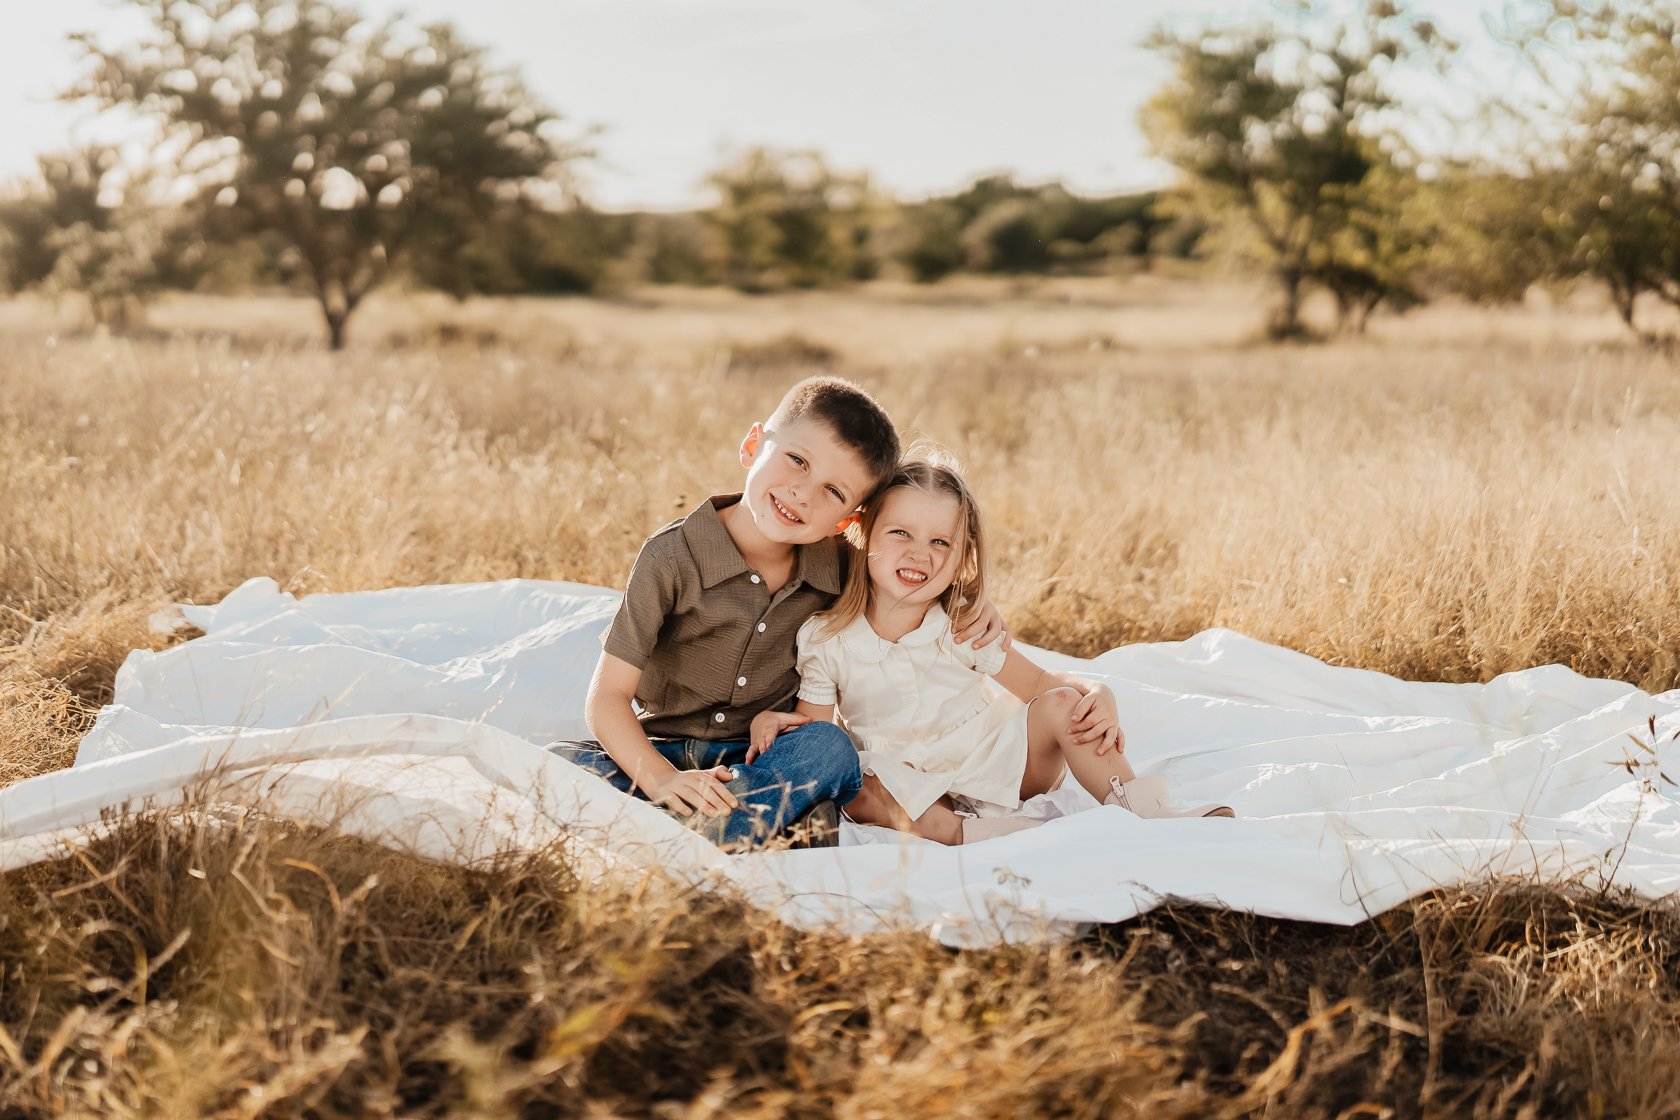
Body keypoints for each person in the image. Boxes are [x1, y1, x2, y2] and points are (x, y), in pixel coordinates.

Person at [551, 378, 1007, 850]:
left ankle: (701, 833)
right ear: (752, 445)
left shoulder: (842, 567)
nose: (802, 493)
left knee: (830, 749)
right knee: (551, 766)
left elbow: (908, 578)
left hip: (763, 759)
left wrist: (969, 598)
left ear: (848, 520)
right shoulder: (671, 558)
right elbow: (607, 698)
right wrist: (661, 779)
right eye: (797, 460)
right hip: (661, 750)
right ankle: (736, 826)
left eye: (833, 490)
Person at [753, 457, 1234, 846]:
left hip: (1000, 762)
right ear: (864, 534)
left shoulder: (962, 624)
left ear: (964, 556)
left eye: (941, 542)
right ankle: (983, 835)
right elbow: (819, 732)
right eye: (901, 533)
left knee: (1067, 708)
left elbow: (1044, 687)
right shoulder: (826, 637)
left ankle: (1146, 810)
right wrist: (773, 723)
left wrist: (1096, 693)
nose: (921, 554)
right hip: (908, 778)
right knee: (858, 790)